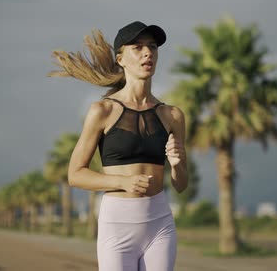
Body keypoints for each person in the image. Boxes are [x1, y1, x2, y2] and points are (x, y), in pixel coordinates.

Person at [49, 21, 188, 270]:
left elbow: (181, 185)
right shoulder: (102, 111)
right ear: (121, 59)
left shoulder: (173, 115)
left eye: (153, 47)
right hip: (117, 225)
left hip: (159, 224)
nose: (148, 53)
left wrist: (177, 166)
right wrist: (122, 183)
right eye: (138, 47)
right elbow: (75, 174)